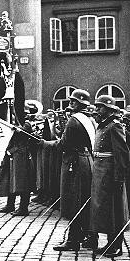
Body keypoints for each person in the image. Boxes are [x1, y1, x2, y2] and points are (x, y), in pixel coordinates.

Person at [40, 89, 96, 252]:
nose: (70, 104)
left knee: (73, 200)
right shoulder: (90, 119)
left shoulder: (74, 121)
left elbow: (63, 145)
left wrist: (45, 144)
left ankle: (73, 240)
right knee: (86, 200)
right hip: (87, 161)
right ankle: (91, 237)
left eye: (73, 102)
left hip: (74, 164)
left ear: (79, 104)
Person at [91, 95, 130, 257]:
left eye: (100, 107)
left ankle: (116, 246)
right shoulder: (103, 125)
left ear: (108, 109)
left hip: (110, 172)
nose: (97, 110)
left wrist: (119, 177)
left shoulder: (114, 126)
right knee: (104, 209)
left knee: (115, 210)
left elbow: (122, 154)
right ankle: (109, 243)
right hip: (101, 171)